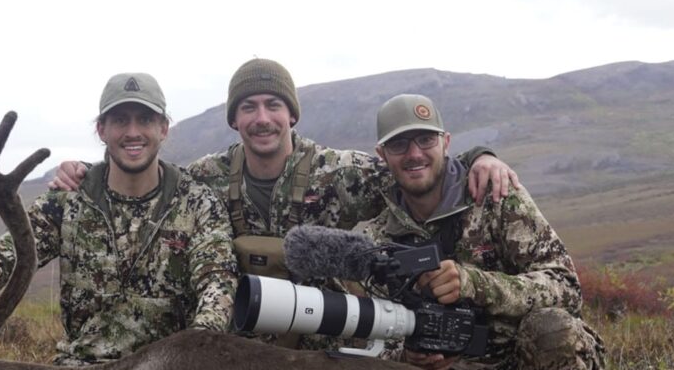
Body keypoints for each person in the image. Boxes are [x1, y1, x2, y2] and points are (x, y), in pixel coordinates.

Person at [53, 59, 520, 348]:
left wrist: (480, 157)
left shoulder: (341, 171)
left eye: (273, 106)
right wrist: (84, 173)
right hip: (237, 336)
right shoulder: (202, 181)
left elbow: (415, 161)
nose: (262, 119)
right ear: (234, 118)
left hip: (326, 335)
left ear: (291, 114)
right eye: (249, 107)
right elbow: (140, 177)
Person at [0, 73, 238, 365]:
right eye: (120, 120)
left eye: (145, 120)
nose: (133, 132)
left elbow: (217, 284)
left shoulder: (198, 202)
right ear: (101, 129)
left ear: (163, 128)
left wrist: (195, 355)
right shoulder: (67, 200)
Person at [360, 93, 603, 370]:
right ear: (381, 155)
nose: (414, 154)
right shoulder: (377, 237)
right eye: (399, 144)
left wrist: (477, 285)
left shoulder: (497, 198)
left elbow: (565, 287)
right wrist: (404, 357)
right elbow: (365, 335)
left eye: (425, 139)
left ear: (445, 143)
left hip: (522, 367)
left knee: (552, 329)